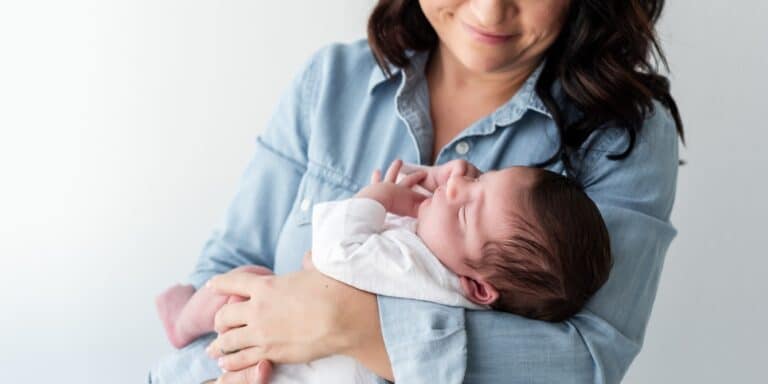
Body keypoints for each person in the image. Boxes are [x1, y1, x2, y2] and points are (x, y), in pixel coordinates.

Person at [149, 1, 684, 383]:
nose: (491, 11)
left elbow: (585, 364)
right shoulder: (331, 81)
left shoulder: (621, 134)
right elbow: (228, 265)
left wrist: (347, 323)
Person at [155, 159, 611, 383]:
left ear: (477, 287)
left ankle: (182, 322)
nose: (453, 185)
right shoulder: (444, 276)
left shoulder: (415, 268)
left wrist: (381, 197)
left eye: (466, 211)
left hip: (281, 369)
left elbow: (330, 252)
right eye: (476, 180)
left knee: (245, 281)